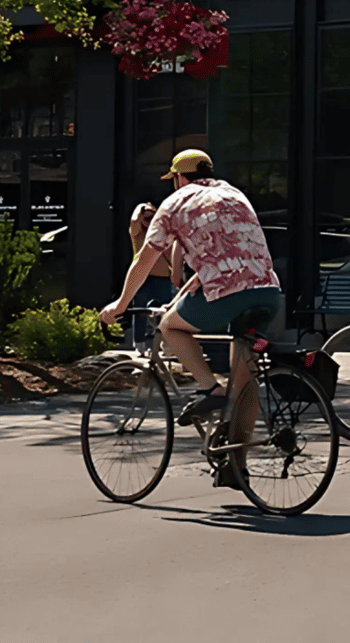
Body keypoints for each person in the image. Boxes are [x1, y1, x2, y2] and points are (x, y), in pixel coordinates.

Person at [100, 149, 281, 479]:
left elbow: (143, 261)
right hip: (268, 294)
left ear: (181, 178)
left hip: (228, 298)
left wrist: (120, 305)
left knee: (171, 326)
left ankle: (210, 388)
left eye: (174, 180)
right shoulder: (233, 194)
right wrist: (180, 297)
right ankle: (235, 465)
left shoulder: (175, 204)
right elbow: (220, 262)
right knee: (244, 381)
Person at [126, 203, 183, 346]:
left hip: (163, 278)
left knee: (164, 313)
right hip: (143, 278)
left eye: (152, 217)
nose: (149, 220)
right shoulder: (137, 234)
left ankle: (164, 344)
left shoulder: (162, 234)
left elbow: (171, 254)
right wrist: (140, 208)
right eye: (146, 217)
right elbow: (134, 220)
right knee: (140, 311)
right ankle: (139, 343)